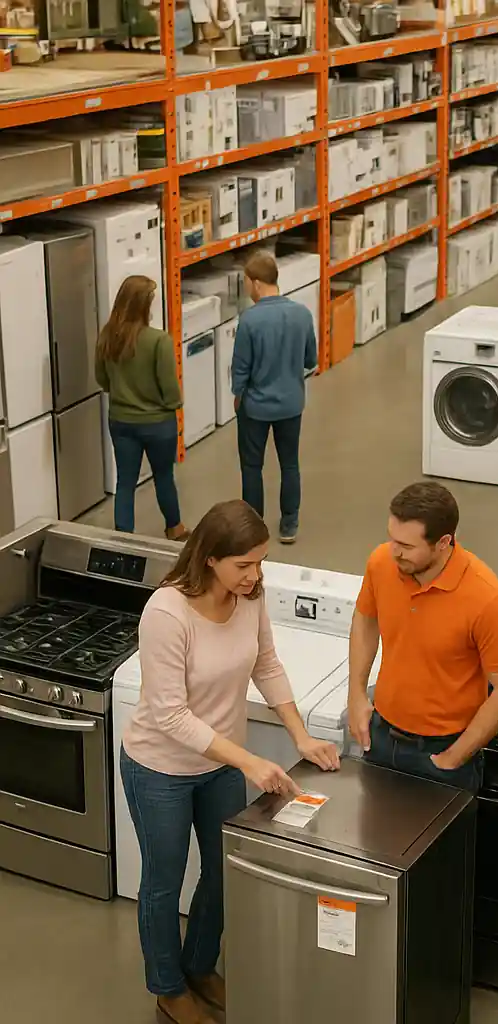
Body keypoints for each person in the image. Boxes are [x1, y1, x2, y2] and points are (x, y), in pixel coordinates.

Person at [120, 499, 340, 1024]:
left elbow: (266, 663)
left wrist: (300, 736)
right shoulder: (166, 612)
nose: (255, 575)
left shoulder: (251, 598)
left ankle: (199, 967)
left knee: (222, 874)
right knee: (163, 881)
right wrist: (247, 761)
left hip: (217, 764)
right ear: (211, 558)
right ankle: (167, 989)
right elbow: (170, 715)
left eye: (260, 562)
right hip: (160, 769)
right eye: (244, 565)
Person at [347, 481, 498, 793]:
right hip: (379, 737)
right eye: (391, 538)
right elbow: (365, 619)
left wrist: (454, 758)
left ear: (443, 542)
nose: (394, 552)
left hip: (442, 754)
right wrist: (356, 694)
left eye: (406, 546)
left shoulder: (487, 600)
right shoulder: (381, 563)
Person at [231, 250, 318, 545]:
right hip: (291, 404)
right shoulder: (302, 314)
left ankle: (253, 528)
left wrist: (237, 397)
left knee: (252, 467)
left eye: (245, 282)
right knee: (289, 463)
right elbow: (311, 360)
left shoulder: (250, 321)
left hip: (255, 408)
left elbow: (240, 369)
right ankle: (289, 524)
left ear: (256, 283)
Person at [94, 274, 188, 540]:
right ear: (144, 306)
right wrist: (173, 405)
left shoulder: (107, 337)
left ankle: (124, 537)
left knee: (125, 482)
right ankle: (175, 529)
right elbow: (170, 389)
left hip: (121, 421)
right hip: (158, 424)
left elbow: (102, 379)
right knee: (163, 476)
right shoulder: (159, 341)